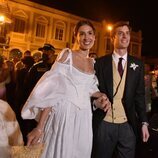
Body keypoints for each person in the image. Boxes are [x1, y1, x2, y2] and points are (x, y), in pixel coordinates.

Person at [21, 20, 110, 158]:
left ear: (94, 37)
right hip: (64, 115)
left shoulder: (92, 62)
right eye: (82, 34)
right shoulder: (67, 55)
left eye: (90, 33)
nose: (86, 37)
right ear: (76, 37)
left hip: (84, 118)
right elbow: (52, 92)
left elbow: (88, 89)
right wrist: (40, 127)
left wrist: (102, 95)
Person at [92, 21, 150, 158]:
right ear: (113, 38)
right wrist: (95, 104)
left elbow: (140, 96)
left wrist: (144, 122)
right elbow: (91, 91)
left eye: (127, 33)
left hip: (127, 124)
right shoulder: (100, 63)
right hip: (104, 124)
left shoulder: (138, 64)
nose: (125, 36)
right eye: (120, 33)